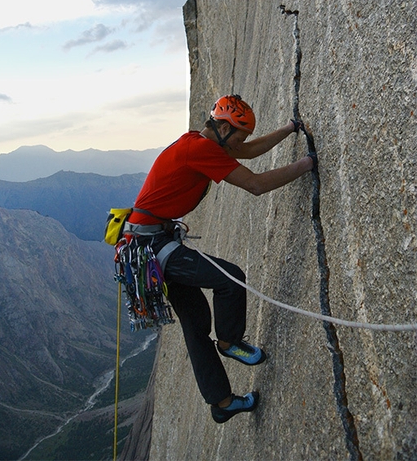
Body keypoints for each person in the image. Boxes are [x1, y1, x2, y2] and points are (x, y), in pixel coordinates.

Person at [127, 95, 316, 423]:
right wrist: (308, 164)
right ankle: (229, 342)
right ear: (225, 127)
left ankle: (223, 403)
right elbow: (255, 185)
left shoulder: (199, 142)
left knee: (197, 325)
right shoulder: (199, 150)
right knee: (230, 279)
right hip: (153, 247)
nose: (240, 143)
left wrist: (289, 129)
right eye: (238, 136)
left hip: (147, 246)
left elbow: (248, 150)